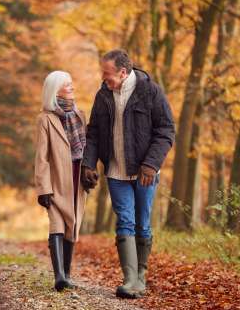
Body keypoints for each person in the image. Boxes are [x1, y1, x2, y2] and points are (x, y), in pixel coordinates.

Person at [81, 49, 175, 298]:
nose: (103, 78)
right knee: (125, 220)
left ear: (123, 72)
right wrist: (88, 164)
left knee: (142, 223)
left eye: (107, 73)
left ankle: (141, 277)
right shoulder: (103, 95)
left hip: (145, 172)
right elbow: (93, 133)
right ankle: (129, 279)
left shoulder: (150, 92)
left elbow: (166, 131)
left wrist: (151, 164)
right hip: (115, 171)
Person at [34, 70, 90, 291]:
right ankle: (59, 277)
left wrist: (90, 170)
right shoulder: (45, 119)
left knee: (72, 224)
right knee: (57, 223)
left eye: (71, 84)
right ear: (55, 89)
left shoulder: (80, 115)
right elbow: (41, 157)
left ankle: (67, 274)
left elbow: (87, 149)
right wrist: (43, 188)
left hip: (77, 178)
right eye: (67, 85)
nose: (72, 88)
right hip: (56, 179)